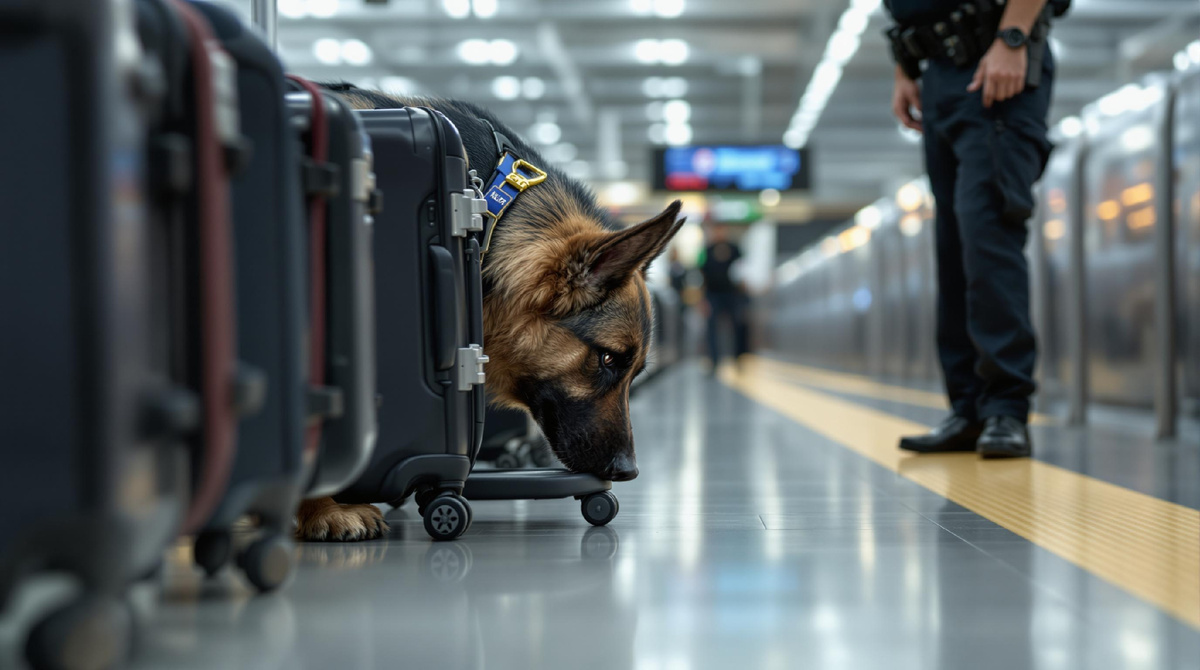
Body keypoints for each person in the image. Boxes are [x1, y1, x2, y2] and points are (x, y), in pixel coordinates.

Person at [886, 0, 1059, 458]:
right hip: (937, 71)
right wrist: (905, 67)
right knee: (954, 249)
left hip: (995, 62)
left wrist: (1012, 37)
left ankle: (1005, 408)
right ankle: (967, 409)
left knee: (988, 238)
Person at [700, 224, 749, 373]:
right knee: (711, 328)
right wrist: (702, 299)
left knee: (737, 326)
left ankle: (739, 358)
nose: (719, 233)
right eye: (716, 230)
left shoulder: (735, 249)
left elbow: (743, 270)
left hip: (733, 294)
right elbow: (701, 275)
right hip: (712, 294)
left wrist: (744, 293)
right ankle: (714, 361)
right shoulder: (706, 250)